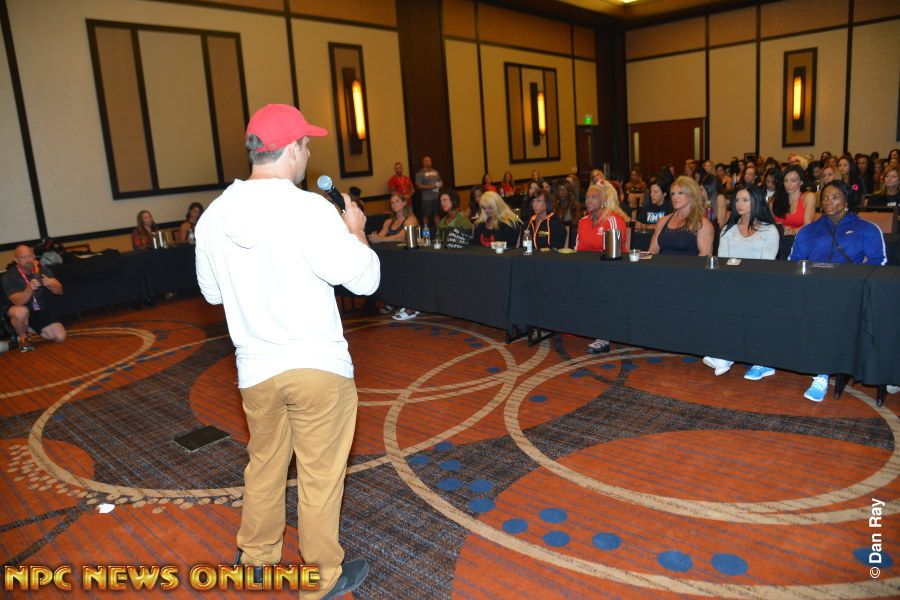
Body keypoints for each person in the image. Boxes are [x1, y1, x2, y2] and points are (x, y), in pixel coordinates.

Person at [194, 103, 375, 599]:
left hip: (256, 370)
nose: (309, 154)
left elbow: (211, 293)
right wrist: (355, 230)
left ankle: (256, 560)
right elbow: (365, 278)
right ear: (292, 149)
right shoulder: (309, 209)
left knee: (265, 464)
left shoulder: (214, 216)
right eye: (307, 145)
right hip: (317, 366)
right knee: (319, 477)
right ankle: (321, 579)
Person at [787, 179, 886, 402]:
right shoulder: (809, 230)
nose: (828, 202)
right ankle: (766, 360)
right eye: (825, 198)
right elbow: (794, 261)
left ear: (847, 201)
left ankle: (822, 373)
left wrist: (853, 281)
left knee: (830, 313)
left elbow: (878, 262)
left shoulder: (866, 229)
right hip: (813, 289)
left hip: (849, 292)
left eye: (835, 197)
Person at [702, 186, 779, 377]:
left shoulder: (769, 230)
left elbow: (766, 265)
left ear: (756, 202)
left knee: (745, 301)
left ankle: (732, 357)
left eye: (745, 200)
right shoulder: (728, 229)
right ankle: (725, 354)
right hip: (733, 282)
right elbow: (723, 261)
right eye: (737, 200)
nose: (740, 204)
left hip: (760, 284)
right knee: (721, 297)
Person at [575, 182, 630, 355]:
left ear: (604, 200)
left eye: (593, 197)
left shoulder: (613, 220)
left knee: (601, 289)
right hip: (589, 270)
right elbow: (578, 250)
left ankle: (603, 337)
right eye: (586, 197)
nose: (588, 201)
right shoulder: (583, 221)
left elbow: (613, 255)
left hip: (612, 272)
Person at [2, 244, 66, 352]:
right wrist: (29, 289)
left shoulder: (41, 269)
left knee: (60, 337)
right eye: (24, 257)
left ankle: (28, 327)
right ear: (16, 260)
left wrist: (52, 283)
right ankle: (23, 338)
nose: (28, 259)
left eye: (30, 256)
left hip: (36, 309)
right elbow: (18, 302)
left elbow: (60, 291)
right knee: (21, 312)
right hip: (15, 311)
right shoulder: (8, 276)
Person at [648, 176, 714, 256]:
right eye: (673, 194)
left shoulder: (702, 224)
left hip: (689, 264)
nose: (675, 197)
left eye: (680, 193)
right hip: (661, 263)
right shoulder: (662, 221)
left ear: (691, 195)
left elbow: (704, 257)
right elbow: (652, 252)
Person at [772, 164, 816, 235]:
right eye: (786, 181)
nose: (788, 184)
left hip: (799, 237)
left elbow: (808, 225)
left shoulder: (808, 197)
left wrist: (793, 231)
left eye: (793, 180)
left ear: (801, 182)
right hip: (779, 237)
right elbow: (769, 223)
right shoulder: (776, 199)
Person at [415, 156, 441, 230]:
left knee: (437, 215)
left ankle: (439, 231)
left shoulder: (436, 172)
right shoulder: (420, 174)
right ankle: (426, 233)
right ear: (423, 163)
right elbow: (418, 186)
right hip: (426, 199)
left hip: (436, 197)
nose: (428, 162)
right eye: (426, 161)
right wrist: (430, 187)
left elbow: (440, 181)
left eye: (429, 161)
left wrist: (439, 185)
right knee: (425, 216)